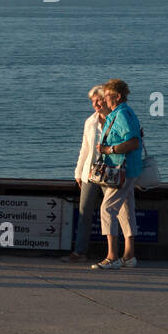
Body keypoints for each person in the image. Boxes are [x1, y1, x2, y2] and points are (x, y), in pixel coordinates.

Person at [92, 79, 141, 270]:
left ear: (117, 96)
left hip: (121, 170)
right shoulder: (122, 113)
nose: (104, 100)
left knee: (107, 209)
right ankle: (129, 256)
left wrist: (108, 149)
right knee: (125, 210)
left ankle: (112, 256)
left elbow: (133, 142)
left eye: (107, 96)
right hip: (128, 170)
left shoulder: (122, 115)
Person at [64, 86, 110, 262]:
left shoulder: (116, 120)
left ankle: (113, 254)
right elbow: (85, 149)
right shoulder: (90, 122)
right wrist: (78, 172)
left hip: (110, 173)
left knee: (112, 214)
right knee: (84, 213)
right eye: (92, 101)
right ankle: (80, 252)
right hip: (90, 173)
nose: (95, 104)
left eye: (98, 100)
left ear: (106, 99)